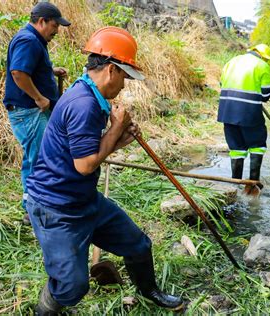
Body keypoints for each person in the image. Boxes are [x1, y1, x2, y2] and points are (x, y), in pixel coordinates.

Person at [25, 27, 184, 314]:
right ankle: (45, 309)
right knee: (72, 287)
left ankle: (150, 291)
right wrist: (115, 129)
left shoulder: (90, 93)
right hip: (56, 207)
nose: (124, 85)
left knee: (138, 245)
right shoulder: (84, 104)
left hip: (82, 198)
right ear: (111, 70)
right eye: (124, 77)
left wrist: (118, 137)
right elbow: (85, 164)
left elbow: (90, 152)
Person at [3, 2, 70, 223]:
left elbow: (28, 67)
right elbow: (19, 73)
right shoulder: (29, 40)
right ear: (41, 21)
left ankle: (32, 206)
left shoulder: (33, 40)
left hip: (31, 111)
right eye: (54, 25)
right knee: (40, 160)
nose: (56, 31)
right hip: (29, 112)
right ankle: (36, 210)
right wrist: (39, 98)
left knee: (34, 158)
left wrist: (50, 70)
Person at [217, 44, 270, 194]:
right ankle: (252, 183)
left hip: (227, 111)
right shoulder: (262, 65)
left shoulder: (231, 61)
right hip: (249, 112)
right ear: (262, 56)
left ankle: (235, 185)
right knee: (257, 144)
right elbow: (266, 95)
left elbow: (222, 84)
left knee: (236, 148)